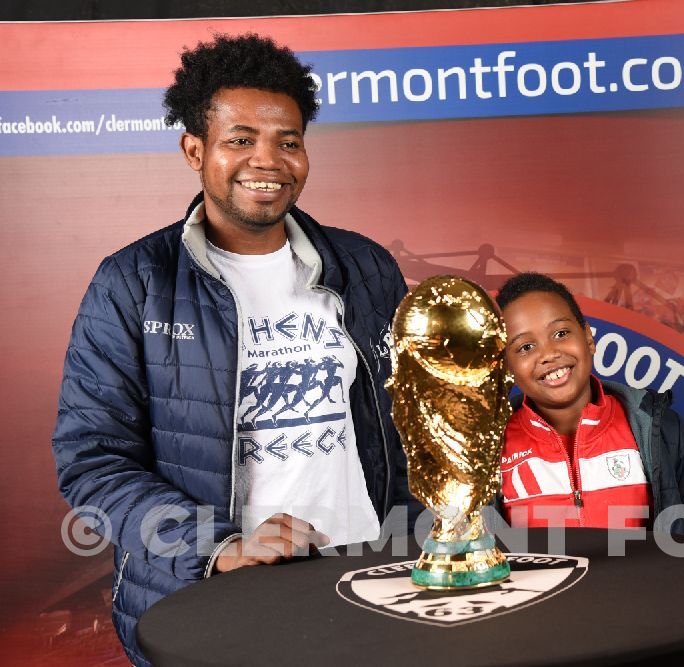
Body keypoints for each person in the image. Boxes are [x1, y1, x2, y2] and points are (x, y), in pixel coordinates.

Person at [51, 34, 417, 666]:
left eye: (289, 141)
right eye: (240, 139)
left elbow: (410, 419)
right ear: (195, 149)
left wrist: (420, 533)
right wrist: (217, 547)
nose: (267, 161)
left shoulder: (367, 267)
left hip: (372, 585)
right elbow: (91, 460)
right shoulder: (133, 283)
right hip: (219, 598)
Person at [494, 272, 684, 533]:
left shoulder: (661, 429)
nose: (548, 354)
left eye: (560, 333)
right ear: (506, 366)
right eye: (525, 347)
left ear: (588, 338)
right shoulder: (489, 449)